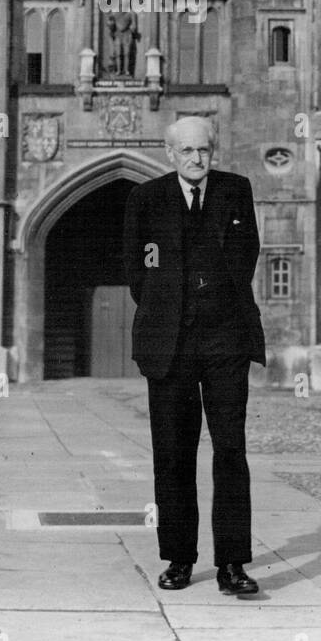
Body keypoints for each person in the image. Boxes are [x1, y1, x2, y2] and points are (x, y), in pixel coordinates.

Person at [122, 116, 265, 595]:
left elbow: (248, 253)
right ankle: (179, 560)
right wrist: (171, 306)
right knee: (174, 454)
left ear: (213, 151)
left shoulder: (235, 190)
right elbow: (138, 271)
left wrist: (216, 299)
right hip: (171, 345)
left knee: (230, 450)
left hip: (225, 339)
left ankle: (232, 565)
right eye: (186, 151)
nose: (196, 159)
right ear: (170, 154)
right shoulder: (146, 199)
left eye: (203, 150)